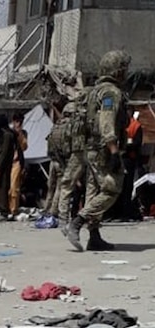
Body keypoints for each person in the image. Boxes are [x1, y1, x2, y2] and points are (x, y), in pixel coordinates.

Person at [66, 50, 132, 251]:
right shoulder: (111, 93)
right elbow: (106, 121)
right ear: (117, 71)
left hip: (90, 149)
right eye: (124, 69)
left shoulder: (93, 91)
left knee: (93, 191)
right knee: (113, 188)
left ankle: (94, 236)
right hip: (103, 149)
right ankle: (77, 222)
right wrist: (114, 151)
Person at [106, 111, 144, 221]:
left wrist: (125, 146)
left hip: (128, 159)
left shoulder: (135, 126)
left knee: (127, 188)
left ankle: (125, 213)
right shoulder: (117, 126)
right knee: (116, 186)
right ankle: (114, 213)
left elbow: (137, 143)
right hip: (117, 159)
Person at [55, 99, 87, 227]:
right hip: (75, 160)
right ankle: (74, 216)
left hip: (66, 161)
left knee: (65, 189)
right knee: (78, 190)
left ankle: (64, 217)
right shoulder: (73, 127)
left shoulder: (59, 127)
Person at [0, 113, 16, 221]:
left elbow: (4, 153)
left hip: (4, 166)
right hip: (1, 165)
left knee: (2, 187)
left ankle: (3, 211)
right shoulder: (2, 134)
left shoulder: (7, 135)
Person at [9, 111, 29, 214]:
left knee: (14, 188)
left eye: (20, 121)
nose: (18, 123)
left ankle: (13, 209)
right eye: (17, 121)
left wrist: (19, 133)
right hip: (7, 162)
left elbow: (24, 147)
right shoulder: (8, 132)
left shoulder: (23, 133)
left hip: (16, 162)